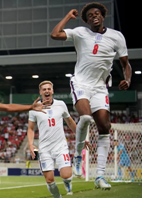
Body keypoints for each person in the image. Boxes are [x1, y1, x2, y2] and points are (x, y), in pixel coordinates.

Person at [51, 2, 132, 190]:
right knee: (86, 117)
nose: (94, 16)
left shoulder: (116, 36)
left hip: (100, 87)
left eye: (97, 13)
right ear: (86, 20)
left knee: (105, 127)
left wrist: (127, 80)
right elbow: (55, 34)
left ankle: (100, 176)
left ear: (103, 16)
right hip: (80, 83)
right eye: (89, 15)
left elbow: (125, 63)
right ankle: (78, 155)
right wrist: (67, 18)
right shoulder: (80, 33)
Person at [28, 80, 81, 197]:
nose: (47, 91)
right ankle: (57, 196)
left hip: (60, 146)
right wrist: (31, 144)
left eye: (49, 89)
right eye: (44, 89)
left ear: (52, 91)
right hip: (45, 149)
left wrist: (81, 136)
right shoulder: (34, 109)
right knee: (50, 180)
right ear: (40, 92)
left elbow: (70, 122)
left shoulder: (61, 104)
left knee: (66, 175)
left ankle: (67, 183)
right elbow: (31, 129)